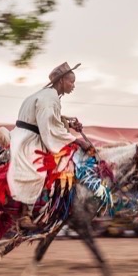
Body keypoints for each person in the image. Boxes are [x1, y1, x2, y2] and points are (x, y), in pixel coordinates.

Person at [7, 61, 90, 230]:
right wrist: (77, 140)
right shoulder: (49, 99)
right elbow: (50, 127)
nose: (73, 86)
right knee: (39, 170)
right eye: (71, 81)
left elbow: (51, 120)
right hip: (28, 139)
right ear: (61, 81)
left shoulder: (49, 97)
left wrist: (70, 124)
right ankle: (25, 215)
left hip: (31, 135)